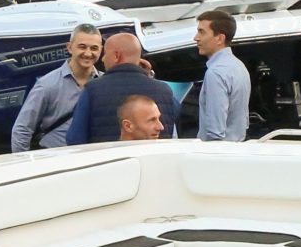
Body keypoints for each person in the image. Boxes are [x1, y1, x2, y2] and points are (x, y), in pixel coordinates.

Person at [67, 31, 179, 146]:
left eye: (105, 53)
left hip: (108, 157)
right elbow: (174, 121)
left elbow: (75, 139)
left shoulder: (92, 90)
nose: (103, 59)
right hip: (156, 156)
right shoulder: (164, 90)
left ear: (117, 56)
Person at [11, 24, 102, 153]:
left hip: (95, 158)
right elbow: (22, 129)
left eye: (94, 48)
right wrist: (24, 162)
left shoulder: (105, 83)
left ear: (101, 50)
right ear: (69, 47)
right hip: (54, 158)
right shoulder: (47, 84)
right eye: (82, 47)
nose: (88, 53)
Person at [192, 8, 251, 142]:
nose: (196, 38)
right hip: (237, 146)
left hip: (217, 150)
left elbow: (215, 131)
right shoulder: (239, 66)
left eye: (202, 32)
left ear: (220, 38)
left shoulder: (216, 73)